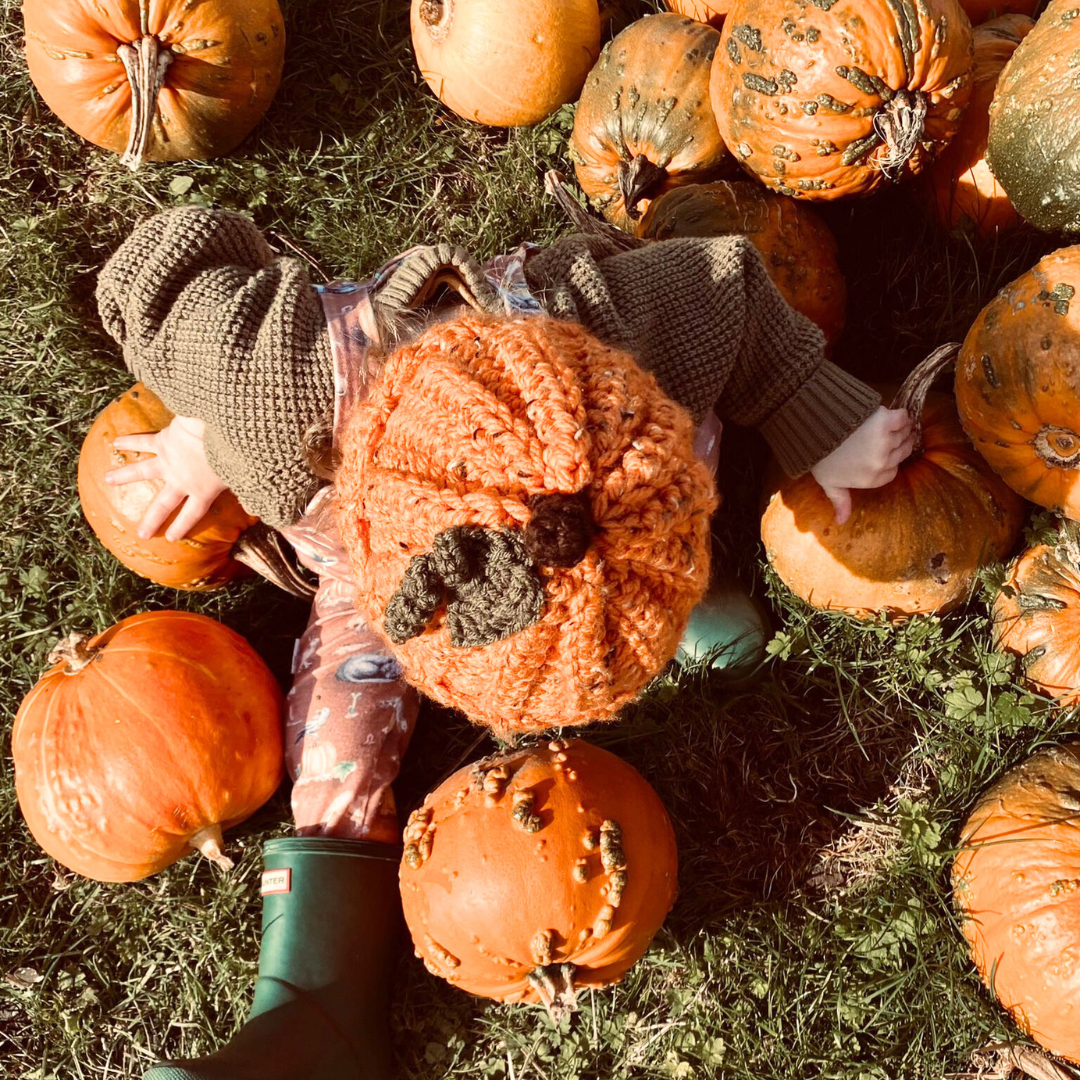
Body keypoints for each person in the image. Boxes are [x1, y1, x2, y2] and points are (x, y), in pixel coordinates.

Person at [94, 204, 913, 1080]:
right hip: (372, 556)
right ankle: (315, 994)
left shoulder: (628, 318)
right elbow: (156, 276)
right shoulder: (276, 390)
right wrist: (200, 430)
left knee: (670, 483)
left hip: (625, 491)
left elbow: (736, 290)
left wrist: (814, 413)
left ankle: (660, 564)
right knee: (343, 713)